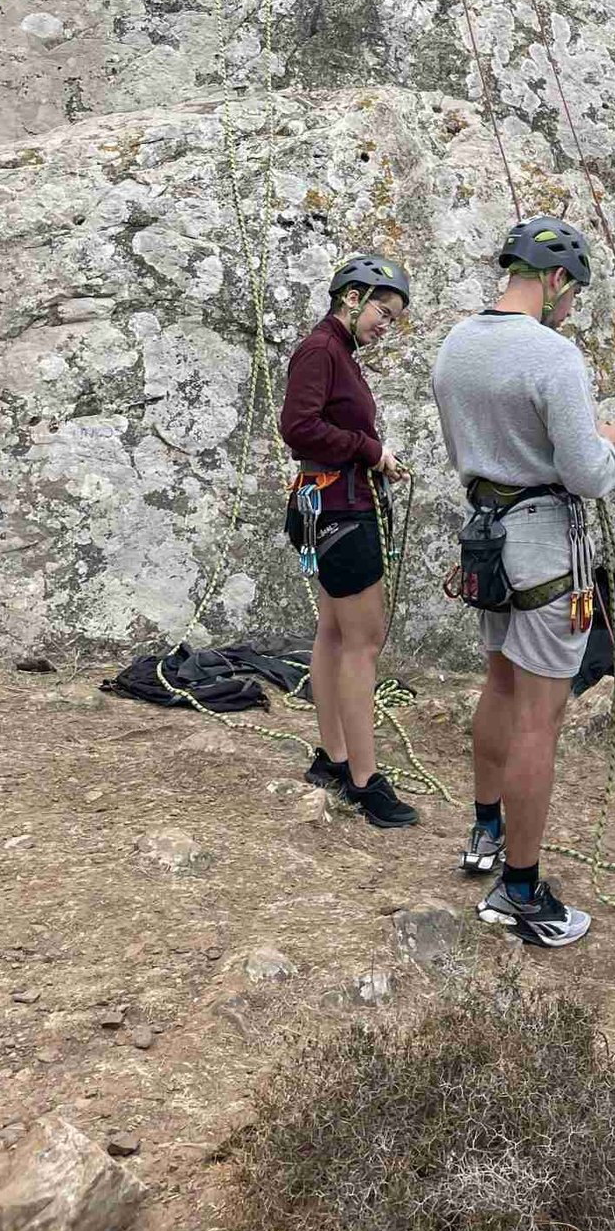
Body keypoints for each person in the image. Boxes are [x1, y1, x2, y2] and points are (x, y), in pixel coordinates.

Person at [431, 216, 615, 947]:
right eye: (572, 291)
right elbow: (585, 473)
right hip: (547, 547)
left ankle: (486, 829)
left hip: (486, 540)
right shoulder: (554, 357)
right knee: (538, 718)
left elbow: (462, 446)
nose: (572, 305)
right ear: (554, 280)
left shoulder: (456, 346)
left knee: (501, 685)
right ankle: (519, 888)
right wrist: (610, 445)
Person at [281, 253, 416, 830]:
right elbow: (298, 426)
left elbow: (320, 428)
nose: (386, 325)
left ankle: (334, 758)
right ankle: (364, 780)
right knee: (363, 642)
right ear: (352, 296)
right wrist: (371, 451)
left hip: (330, 507)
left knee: (335, 634)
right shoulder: (322, 350)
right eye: (383, 312)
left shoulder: (338, 352)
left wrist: (374, 459)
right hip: (342, 513)